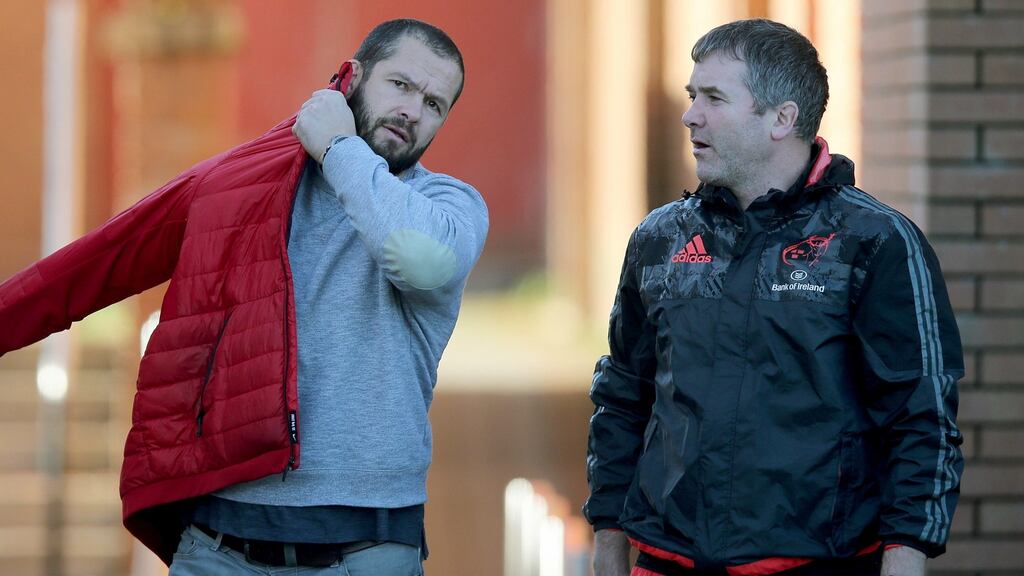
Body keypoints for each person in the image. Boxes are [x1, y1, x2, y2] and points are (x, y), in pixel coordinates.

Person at [0, 18, 487, 575]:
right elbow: (102, 258)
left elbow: (418, 259)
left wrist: (336, 145)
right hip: (220, 548)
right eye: (400, 85)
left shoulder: (450, 206)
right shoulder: (243, 185)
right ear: (353, 76)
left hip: (365, 550)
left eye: (434, 103)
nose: (413, 111)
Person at [585, 18, 963, 576]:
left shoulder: (875, 242)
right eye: (693, 96)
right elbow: (622, 396)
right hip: (668, 560)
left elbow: (921, 417)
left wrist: (906, 555)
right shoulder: (660, 238)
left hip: (818, 562)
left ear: (782, 119)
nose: (691, 115)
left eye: (714, 98)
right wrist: (608, 535)